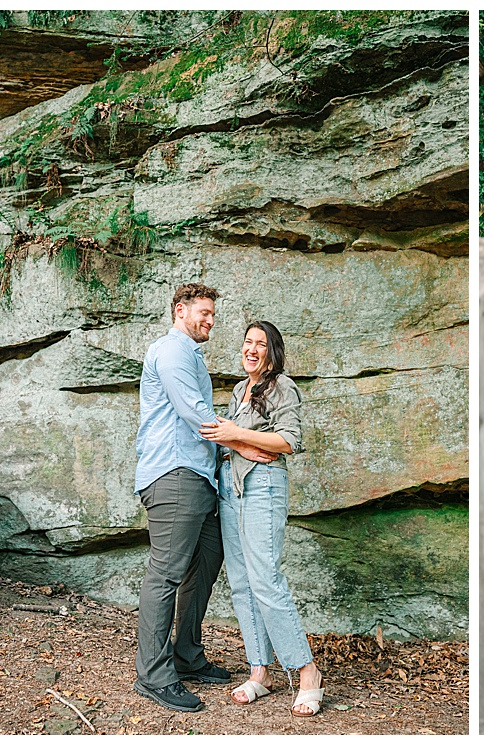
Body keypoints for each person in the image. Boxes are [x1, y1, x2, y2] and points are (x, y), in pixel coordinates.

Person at [132, 283, 273, 712]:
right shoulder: (172, 351)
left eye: (213, 314)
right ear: (181, 311)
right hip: (174, 475)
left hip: (199, 479)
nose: (210, 320)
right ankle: (154, 676)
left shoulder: (191, 355)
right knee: (167, 574)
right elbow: (195, 411)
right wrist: (244, 445)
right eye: (204, 313)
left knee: (206, 563)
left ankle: (187, 655)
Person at [198, 320, 324, 716]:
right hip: (231, 490)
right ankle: (260, 672)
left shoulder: (282, 387)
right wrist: (236, 441)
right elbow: (229, 439)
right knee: (241, 583)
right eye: (248, 342)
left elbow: (289, 441)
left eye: (261, 344)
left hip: (263, 486)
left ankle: (307, 672)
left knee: (266, 580)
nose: (252, 349)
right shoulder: (239, 389)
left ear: (273, 351)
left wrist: (238, 435)